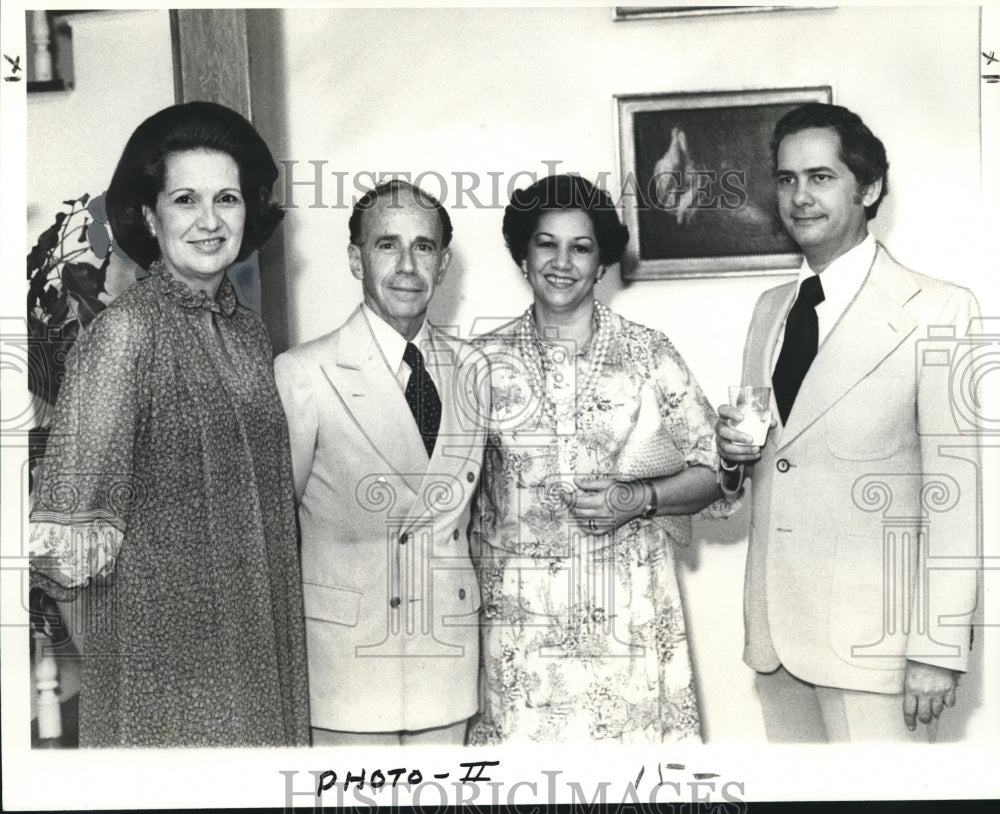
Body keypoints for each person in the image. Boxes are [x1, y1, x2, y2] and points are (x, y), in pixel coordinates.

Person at [28, 101, 310, 747]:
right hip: (166, 682)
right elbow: (62, 544)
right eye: (186, 199)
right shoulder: (124, 336)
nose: (210, 221)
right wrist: (136, 667)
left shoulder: (248, 336)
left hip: (258, 655)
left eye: (228, 199)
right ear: (150, 217)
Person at [715, 102, 980, 742]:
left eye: (820, 177)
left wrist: (937, 650)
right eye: (785, 179)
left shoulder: (940, 309)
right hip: (775, 641)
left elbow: (962, 493)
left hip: (879, 650)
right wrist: (731, 458)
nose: (799, 196)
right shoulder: (770, 308)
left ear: (868, 187)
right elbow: (771, 458)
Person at [469, 174, 725, 744]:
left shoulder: (648, 352)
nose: (562, 262)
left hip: (629, 615)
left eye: (581, 247)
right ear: (522, 254)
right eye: (546, 243)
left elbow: (715, 471)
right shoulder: (480, 363)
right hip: (519, 627)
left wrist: (641, 498)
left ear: (602, 261)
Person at [274, 180, 488, 746]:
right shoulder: (304, 372)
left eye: (423, 247)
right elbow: (275, 528)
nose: (407, 266)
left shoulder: (473, 370)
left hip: (445, 650)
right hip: (347, 658)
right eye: (387, 245)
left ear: (442, 264)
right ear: (355, 258)